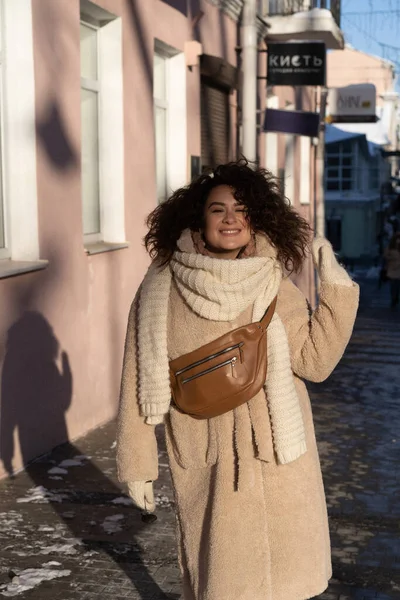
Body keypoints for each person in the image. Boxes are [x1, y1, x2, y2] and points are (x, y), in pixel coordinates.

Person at [116, 160, 360, 600]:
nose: (230, 218)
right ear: (198, 219)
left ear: (257, 219)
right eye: (217, 209)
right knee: (222, 581)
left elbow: (315, 362)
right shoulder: (161, 288)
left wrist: (337, 290)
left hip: (279, 455)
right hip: (207, 454)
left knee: (285, 581)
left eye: (241, 209)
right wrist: (137, 465)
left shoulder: (274, 282)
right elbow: (137, 374)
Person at [384, 232, 400, 308]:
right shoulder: (390, 246)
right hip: (392, 268)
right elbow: (386, 255)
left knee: (397, 285)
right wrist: (391, 258)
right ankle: (393, 299)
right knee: (393, 285)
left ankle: (396, 297)